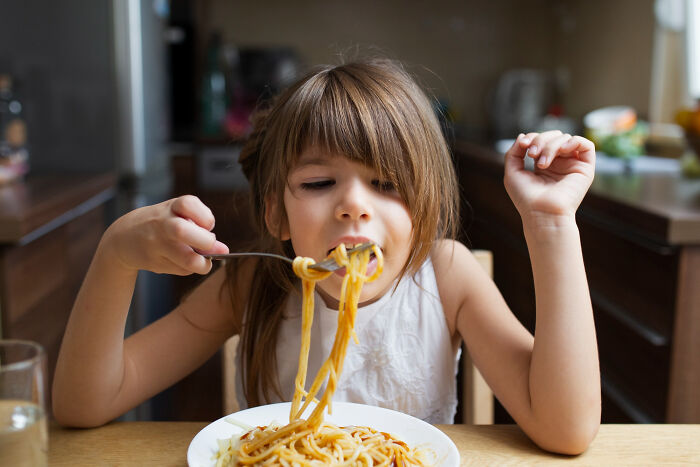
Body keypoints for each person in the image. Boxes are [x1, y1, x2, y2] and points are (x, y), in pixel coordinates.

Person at [53, 58, 600, 455]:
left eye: (387, 183)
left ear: (424, 204)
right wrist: (115, 256)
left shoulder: (446, 275)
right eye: (318, 182)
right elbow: (85, 405)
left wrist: (551, 223)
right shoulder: (251, 282)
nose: (354, 207)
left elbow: (566, 429)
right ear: (275, 213)